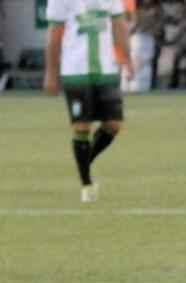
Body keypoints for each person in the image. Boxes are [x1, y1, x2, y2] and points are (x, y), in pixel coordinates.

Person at [43, 0, 132, 203]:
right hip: (75, 72)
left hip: (106, 71)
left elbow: (119, 26)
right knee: (82, 127)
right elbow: (54, 34)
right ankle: (87, 184)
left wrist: (128, 58)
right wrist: (51, 72)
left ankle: (84, 162)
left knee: (113, 125)